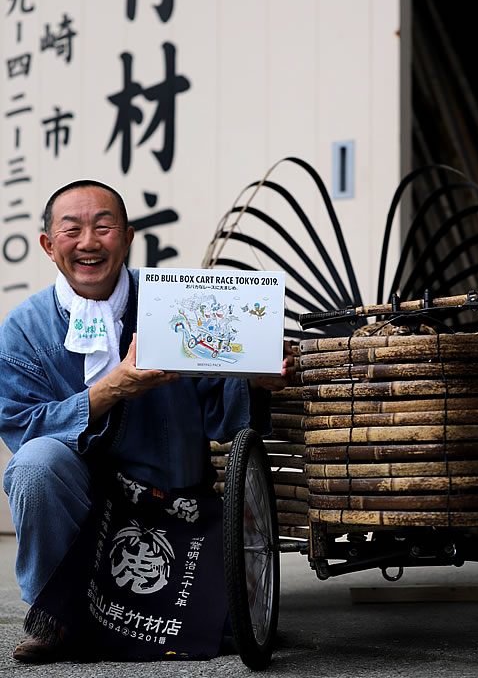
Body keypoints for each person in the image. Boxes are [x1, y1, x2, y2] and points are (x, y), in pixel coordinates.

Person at [0, 179, 294, 663]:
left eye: (104, 226)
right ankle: (52, 616)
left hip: (171, 507)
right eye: (72, 230)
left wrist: (255, 379)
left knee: (218, 629)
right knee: (35, 465)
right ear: (50, 246)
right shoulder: (24, 328)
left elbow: (221, 413)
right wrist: (113, 388)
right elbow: (22, 426)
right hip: (74, 507)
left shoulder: (176, 304)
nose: (89, 242)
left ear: (129, 236)